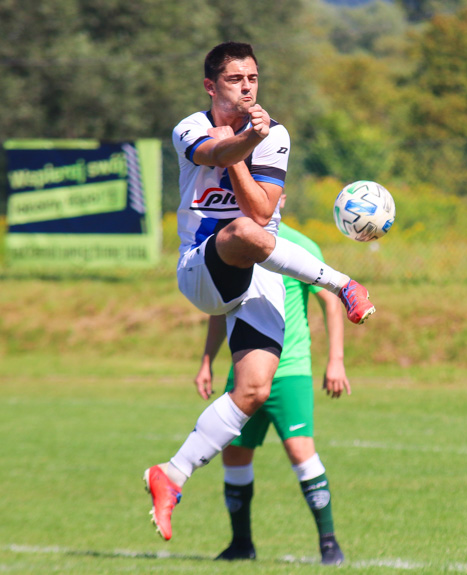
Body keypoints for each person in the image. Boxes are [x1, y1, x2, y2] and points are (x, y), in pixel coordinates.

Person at [143, 41, 374, 542]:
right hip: (200, 266)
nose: (246, 87)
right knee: (243, 234)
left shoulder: (274, 136)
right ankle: (342, 282)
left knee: (252, 390)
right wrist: (242, 141)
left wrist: (249, 142)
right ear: (211, 86)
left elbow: (263, 210)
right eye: (234, 80)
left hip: (258, 273)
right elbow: (215, 151)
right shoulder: (190, 126)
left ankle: (171, 474)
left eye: (252, 78)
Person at [195, 212, 348, 565]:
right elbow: (220, 307)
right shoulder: (231, 240)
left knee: (300, 451)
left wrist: (335, 359)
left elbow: (329, 298)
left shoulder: (300, 243)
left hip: (289, 369)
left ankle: (329, 544)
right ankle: (241, 544)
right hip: (244, 370)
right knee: (233, 454)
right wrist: (207, 360)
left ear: (280, 198)